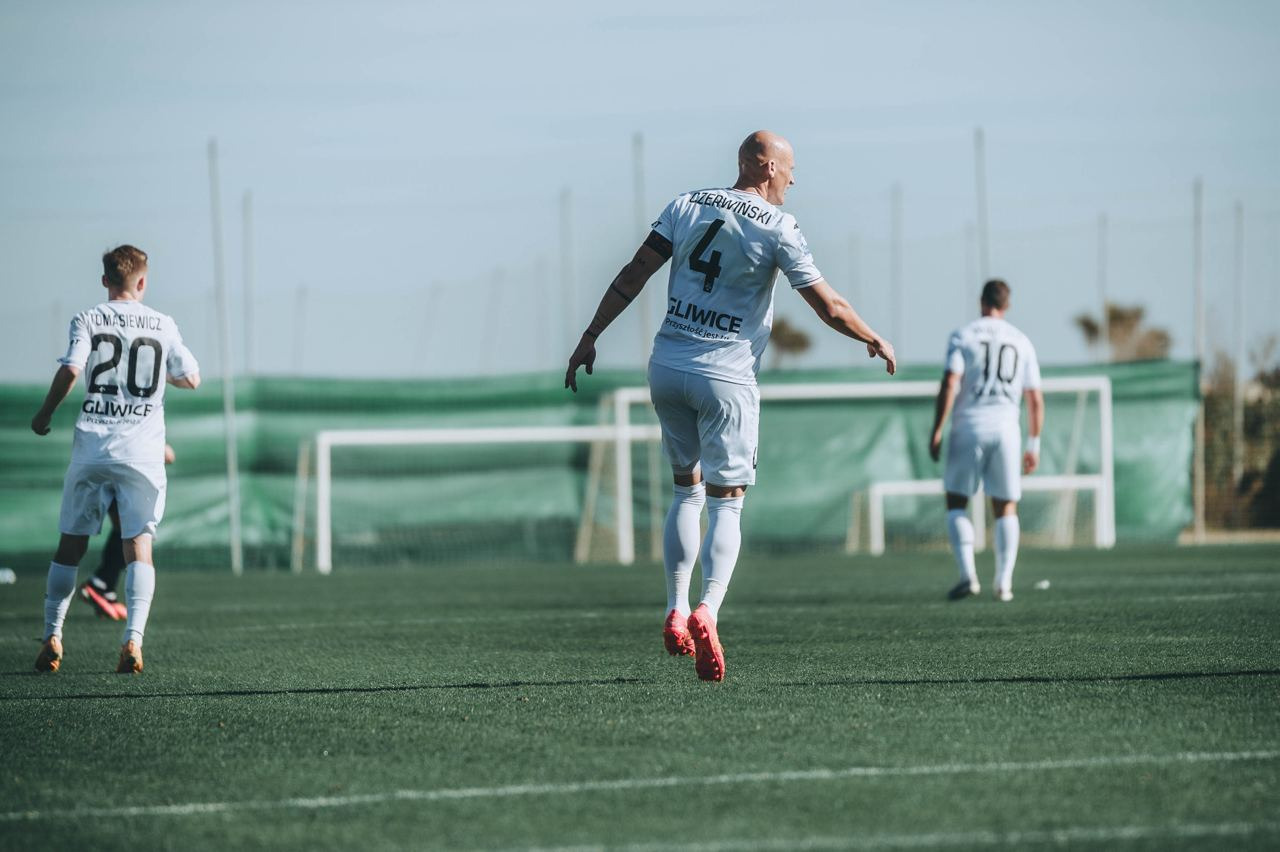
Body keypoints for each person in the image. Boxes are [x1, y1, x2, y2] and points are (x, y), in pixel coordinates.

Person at [566, 131, 896, 681]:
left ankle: (675, 607)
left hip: (667, 367)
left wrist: (590, 335)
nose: (793, 179)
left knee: (684, 490)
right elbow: (830, 307)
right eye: (789, 168)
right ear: (766, 168)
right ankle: (707, 611)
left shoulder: (686, 204)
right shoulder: (779, 226)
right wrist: (872, 336)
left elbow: (632, 274)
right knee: (727, 503)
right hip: (725, 376)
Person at [31, 245, 200, 674]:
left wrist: (45, 413)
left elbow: (72, 369)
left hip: (93, 447)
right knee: (138, 545)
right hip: (141, 454)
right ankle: (133, 641)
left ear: (105, 280)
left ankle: (52, 635)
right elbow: (192, 378)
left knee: (71, 544)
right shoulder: (163, 323)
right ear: (142, 281)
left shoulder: (88, 318)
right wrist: (157, 377)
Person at [928, 279, 1043, 602]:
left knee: (956, 501)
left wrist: (937, 429)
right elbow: (1035, 398)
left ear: (981, 301)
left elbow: (950, 382)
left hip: (969, 427)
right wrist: (1034, 444)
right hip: (1007, 431)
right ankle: (1004, 583)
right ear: (1007, 305)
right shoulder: (1021, 341)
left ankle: (968, 575)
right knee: (1005, 506)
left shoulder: (964, 335)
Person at [78, 443, 177, 621]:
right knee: (135, 533)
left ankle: (105, 587)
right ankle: (101, 583)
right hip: (119, 466)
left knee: (124, 529)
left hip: (104, 464)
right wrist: (158, 446)